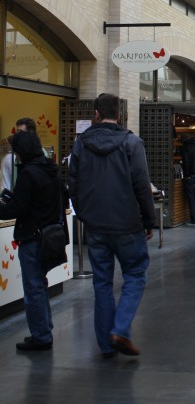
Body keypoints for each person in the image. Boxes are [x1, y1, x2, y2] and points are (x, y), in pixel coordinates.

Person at [68, 92, 156, 358]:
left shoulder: (81, 144)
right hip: (127, 224)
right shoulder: (131, 142)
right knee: (135, 274)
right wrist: (149, 219)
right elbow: (142, 184)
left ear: (95, 114)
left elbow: (73, 183)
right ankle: (120, 329)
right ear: (119, 115)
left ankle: (107, 344)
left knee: (102, 283)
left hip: (96, 226)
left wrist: (84, 213)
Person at [0, 130, 67, 351]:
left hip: (32, 238)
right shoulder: (51, 169)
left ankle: (41, 335)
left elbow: (17, 208)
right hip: (50, 235)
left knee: (34, 287)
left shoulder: (28, 174)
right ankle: (43, 330)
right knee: (40, 285)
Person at [1, 117, 36, 192]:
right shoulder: (15, 156)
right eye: (17, 132)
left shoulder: (38, 154)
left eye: (20, 132)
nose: (17, 136)